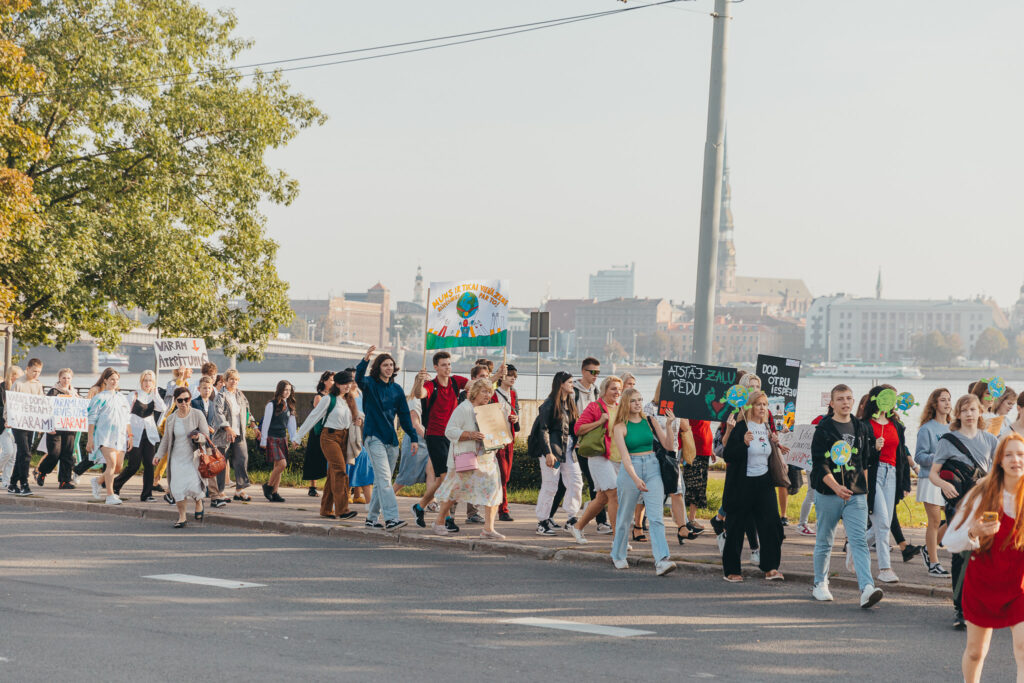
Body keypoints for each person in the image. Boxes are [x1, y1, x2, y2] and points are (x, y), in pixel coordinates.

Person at [945, 433, 1024, 683]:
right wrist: (974, 532)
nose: (1016, 460)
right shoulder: (982, 493)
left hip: (1019, 584)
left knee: (1023, 647)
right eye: (1008, 454)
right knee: (976, 652)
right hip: (984, 581)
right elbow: (949, 541)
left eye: (1021, 454)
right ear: (999, 460)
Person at [809, 384, 884, 607]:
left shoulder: (861, 428)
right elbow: (819, 464)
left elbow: (865, 461)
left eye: (849, 398)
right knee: (825, 540)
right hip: (828, 493)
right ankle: (820, 583)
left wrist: (865, 492)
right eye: (840, 398)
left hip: (856, 494)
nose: (845, 402)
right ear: (831, 403)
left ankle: (867, 588)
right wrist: (835, 487)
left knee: (859, 541)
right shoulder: (823, 429)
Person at [929, 393, 999, 630]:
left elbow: (999, 473)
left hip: (986, 504)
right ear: (957, 414)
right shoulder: (948, 440)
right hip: (958, 505)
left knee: (986, 554)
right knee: (961, 554)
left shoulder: (990, 440)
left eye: (973, 410)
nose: (969, 414)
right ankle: (960, 608)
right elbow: (933, 473)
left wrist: (987, 481)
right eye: (964, 410)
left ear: (980, 412)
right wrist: (945, 484)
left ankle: (981, 604)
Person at [608, 387, 678, 576]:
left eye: (640, 399)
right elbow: (625, 457)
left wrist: (670, 425)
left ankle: (662, 560)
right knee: (625, 516)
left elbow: (668, 446)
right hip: (632, 470)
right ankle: (618, 554)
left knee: (656, 517)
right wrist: (636, 479)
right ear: (626, 403)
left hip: (653, 466)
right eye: (633, 400)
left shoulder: (650, 420)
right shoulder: (620, 426)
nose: (638, 403)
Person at [720, 390, 785, 582]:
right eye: (759, 404)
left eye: (765, 404)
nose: (763, 408)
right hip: (742, 483)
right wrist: (744, 444)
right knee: (736, 526)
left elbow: (769, 454)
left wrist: (777, 444)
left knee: (771, 525)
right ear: (750, 407)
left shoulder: (766, 427)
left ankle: (770, 567)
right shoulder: (742, 427)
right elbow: (728, 455)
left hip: (764, 481)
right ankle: (732, 571)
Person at [429, 378, 505, 538]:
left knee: (493, 491)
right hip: (466, 458)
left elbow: (496, 430)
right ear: (475, 392)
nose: (487, 395)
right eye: (484, 391)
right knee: (455, 491)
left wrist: (499, 439)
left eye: (489, 391)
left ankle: (488, 529)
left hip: (487, 458)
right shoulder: (464, 408)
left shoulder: (490, 410)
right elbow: (449, 431)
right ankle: (439, 521)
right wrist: (470, 435)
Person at [356, 346, 418, 531]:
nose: (389, 368)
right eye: (385, 365)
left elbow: (405, 417)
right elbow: (358, 378)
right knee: (383, 479)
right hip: (373, 437)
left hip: (391, 441)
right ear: (378, 368)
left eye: (391, 365)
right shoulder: (370, 384)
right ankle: (391, 519)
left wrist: (413, 437)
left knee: (382, 482)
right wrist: (365, 359)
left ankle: (371, 519)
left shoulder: (397, 390)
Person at [858, 384, 912, 584]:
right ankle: (885, 568)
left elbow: (902, 455)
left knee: (886, 522)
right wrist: (874, 447)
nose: (888, 402)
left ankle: (856, 548)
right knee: (881, 523)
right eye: (883, 398)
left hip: (891, 474)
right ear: (875, 400)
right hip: (873, 473)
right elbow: (860, 456)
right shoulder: (863, 425)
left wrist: (905, 483)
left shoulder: (896, 425)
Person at [411, 351, 468, 531]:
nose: (447, 368)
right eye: (444, 365)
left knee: (441, 480)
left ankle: (419, 507)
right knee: (446, 478)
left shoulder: (455, 381)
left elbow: (476, 385)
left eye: (449, 364)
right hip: (435, 436)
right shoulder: (430, 385)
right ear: (436, 367)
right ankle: (447, 519)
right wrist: (419, 380)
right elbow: (420, 394)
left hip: (451, 436)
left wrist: (497, 376)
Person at [549, 358, 606, 533]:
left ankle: (601, 522)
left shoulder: (596, 391)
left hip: (590, 443)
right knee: (564, 483)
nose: (595, 375)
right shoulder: (574, 391)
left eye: (598, 372)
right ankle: (547, 517)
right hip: (574, 443)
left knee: (594, 482)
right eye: (592, 372)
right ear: (583, 371)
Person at [294, 370, 360, 521]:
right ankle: (343, 510)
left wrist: (358, 421)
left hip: (344, 438)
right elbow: (313, 417)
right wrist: (298, 437)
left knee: (333, 475)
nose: (348, 386)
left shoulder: (349, 399)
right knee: (340, 471)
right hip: (329, 437)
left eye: (350, 383)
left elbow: (352, 419)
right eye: (345, 383)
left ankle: (325, 509)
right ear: (337, 384)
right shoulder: (328, 399)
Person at [570, 375, 623, 543]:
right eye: (613, 388)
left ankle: (577, 527)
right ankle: (618, 539)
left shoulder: (620, 408)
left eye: (619, 389)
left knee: (602, 498)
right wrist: (600, 421)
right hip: (599, 456)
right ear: (604, 390)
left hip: (616, 457)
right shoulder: (595, 407)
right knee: (614, 493)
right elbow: (578, 429)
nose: (617, 392)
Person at [531, 372, 583, 536]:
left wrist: (577, 440)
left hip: (568, 450)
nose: (572, 385)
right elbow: (543, 430)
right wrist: (548, 453)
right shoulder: (548, 405)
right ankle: (542, 521)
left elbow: (573, 426)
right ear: (560, 383)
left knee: (576, 482)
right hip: (552, 451)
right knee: (550, 486)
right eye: (569, 382)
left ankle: (572, 517)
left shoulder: (570, 403)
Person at [154, 386, 207, 528]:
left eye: (187, 399)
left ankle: (199, 502)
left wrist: (198, 437)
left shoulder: (197, 414)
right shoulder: (171, 419)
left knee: (194, 486)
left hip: (193, 457)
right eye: (180, 400)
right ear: (175, 402)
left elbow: (206, 435)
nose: (184, 403)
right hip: (176, 458)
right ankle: (182, 517)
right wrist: (158, 455)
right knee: (177, 488)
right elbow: (165, 439)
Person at [914, 387, 953, 576]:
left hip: (950, 480)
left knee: (955, 516)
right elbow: (919, 456)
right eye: (943, 400)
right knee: (935, 520)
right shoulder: (927, 428)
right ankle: (934, 562)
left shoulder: (953, 427)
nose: (947, 403)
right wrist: (938, 457)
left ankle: (928, 549)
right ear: (935, 404)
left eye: (949, 400)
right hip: (930, 479)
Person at [111, 370, 165, 502]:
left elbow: (163, 409)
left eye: (150, 381)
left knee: (149, 463)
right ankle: (115, 486)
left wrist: (156, 393)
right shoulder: (133, 395)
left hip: (149, 433)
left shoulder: (153, 396)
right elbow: (124, 415)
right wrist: (127, 434)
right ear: (141, 381)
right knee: (133, 465)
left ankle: (146, 494)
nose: (148, 383)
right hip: (134, 433)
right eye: (145, 380)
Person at [212, 369, 260, 501]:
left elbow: (247, 411)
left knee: (242, 460)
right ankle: (220, 491)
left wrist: (254, 426)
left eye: (236, 380)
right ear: (225, 381)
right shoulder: (220, 396)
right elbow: (218, 413)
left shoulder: (240, 395)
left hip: (239, 433)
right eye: (231, 379)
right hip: (224, 435)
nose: (234, 382)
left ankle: (240, 490)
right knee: (222, 463)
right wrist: (228, 428)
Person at [85, 369, 132, 505]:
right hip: (105, 436)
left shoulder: (122, 397)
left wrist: (130, 435)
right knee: (110, 464)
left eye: (116, 379)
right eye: (111, 379)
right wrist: (90, 439)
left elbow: (127, 418)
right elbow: (91, 419)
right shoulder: (99, 398)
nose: (114, 382)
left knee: (118, 467)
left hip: (121, 436)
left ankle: (98, 481)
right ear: (105, 380)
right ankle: (110, 495)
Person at [6, 358, 45, 496]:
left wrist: (42, 422)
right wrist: (7, 417)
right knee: (25, 453)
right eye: (34, 371)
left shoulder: (38, 385)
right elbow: (10, 402)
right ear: (27, 369)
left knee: (23, 453)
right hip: (17, 422)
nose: (36, 374)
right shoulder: (19, 383)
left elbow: (41, 404)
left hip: (30, 422)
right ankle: (24, 484)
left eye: (39, 372)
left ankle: (12, 483)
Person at [35, 368, 79, 489]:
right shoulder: (53, 392)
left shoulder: (74, 394)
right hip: (54, 429)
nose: (66, 380)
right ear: (59, 378)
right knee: (54, 453)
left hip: (69, 429)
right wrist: (48, 426)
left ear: (72, 379)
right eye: (64, 378)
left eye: (68, 378)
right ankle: (41, 471)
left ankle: (65, 481)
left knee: (67, 454)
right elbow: (46, 410)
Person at [259, 380, 298, 503]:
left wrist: (294, 439)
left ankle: (275, 493)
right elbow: (265, 423)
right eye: (285, 389)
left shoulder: (290, 406)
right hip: (272, 438)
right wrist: (263, 441)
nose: (287, 392)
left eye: (289, 390)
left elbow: (291, 425)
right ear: (280, 390)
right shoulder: (271, 404)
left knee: (278, 466)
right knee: (282, 464)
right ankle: (268, 487)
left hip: (282, 438)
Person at [491, 364, 519, 521]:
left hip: (509, 437)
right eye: (509, 375)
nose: (513, 378)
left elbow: (515, 412)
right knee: (501, 475)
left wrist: (516, 419)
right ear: (501, 376)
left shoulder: (513, 395)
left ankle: (499, 507)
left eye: (515, 375)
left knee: (506, 475)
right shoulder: (494, 394)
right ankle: (503, 509)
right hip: (497, 439)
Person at [393, 385, 429, 497]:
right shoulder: (414, 400)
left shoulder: (427, 399)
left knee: (431, 473)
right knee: (406, 475)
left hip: (426, 441)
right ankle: (385, 498)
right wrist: (430, 438)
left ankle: (431, 502)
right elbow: (415, 424)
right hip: (416, 440)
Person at [302, 371, 333, 497]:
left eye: (334, 380)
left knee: (329, 459)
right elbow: (318, 414)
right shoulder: (319, 397)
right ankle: (312, 486)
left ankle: (329, 485)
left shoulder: (334, 396)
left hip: (330, 430)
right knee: (314, 456)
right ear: (324, 381)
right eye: (331, 380)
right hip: (318, 432)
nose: (333, 382)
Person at [682, 418, 713, 536]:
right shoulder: (693, 405)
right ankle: (687, 520)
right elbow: (683, 427)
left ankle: (691, 519)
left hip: (705, 449)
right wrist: (682, 449)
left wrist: (712, 450)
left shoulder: (707, 407)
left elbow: (706, 428)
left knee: (700, 486)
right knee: (692, 485)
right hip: (693, 450)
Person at [0, 365, 23, 488]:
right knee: (7, 451)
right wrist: (6, 414)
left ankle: (6, 481)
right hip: (3, 425)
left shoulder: (20, 389)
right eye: (18, 377)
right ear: (12, 376)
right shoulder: (2, 388)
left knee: (13, 454)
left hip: (17, 424)